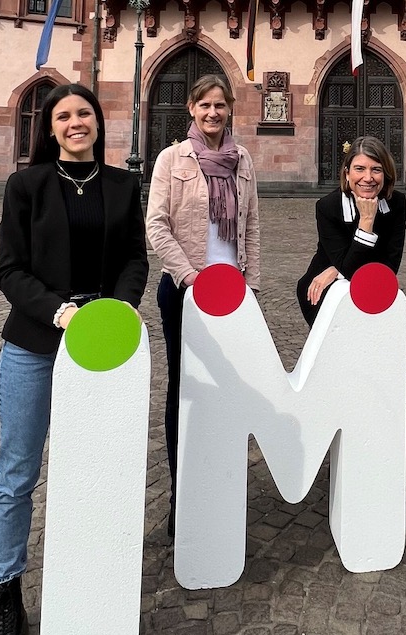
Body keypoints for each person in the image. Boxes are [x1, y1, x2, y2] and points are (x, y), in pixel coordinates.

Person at [0, 83, 148, 635]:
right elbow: (9, 269)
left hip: (100, 352)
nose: (75, 122)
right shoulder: (26, 186)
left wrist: (115, 311)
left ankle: (95, 594)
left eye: (84, 113)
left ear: (97, 122)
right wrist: (60, 312)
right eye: (63, 116)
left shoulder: (122, 186)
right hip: (34, 345)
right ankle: (7, 600)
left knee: (99, 472)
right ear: (50, 128)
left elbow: (134, 259)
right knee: (17, 475)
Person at [146, 74, 260, 539]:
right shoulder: (171, 159)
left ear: (229, 109)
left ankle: (218, 487)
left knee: (227, 390)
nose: (213, 113)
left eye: (220, 105)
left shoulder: (242, 160)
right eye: (205, 105)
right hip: (185, 290)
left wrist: (251, 288)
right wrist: (193, 280)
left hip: (231, 295)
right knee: (186, 389)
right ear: (191, 109)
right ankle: (182, 494)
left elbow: (252, 227)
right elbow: (156, 226)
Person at [296, 136, 406, 326]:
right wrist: (366, 222)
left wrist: (336, 270)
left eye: (376, 170)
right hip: (323, 290)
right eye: (359, 169)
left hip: (371, 288)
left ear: (386, 174)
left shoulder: (396, 203)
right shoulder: (328, 207)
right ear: (347, 173)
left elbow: (389, 266)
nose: (368, 178)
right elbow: (349, 269)